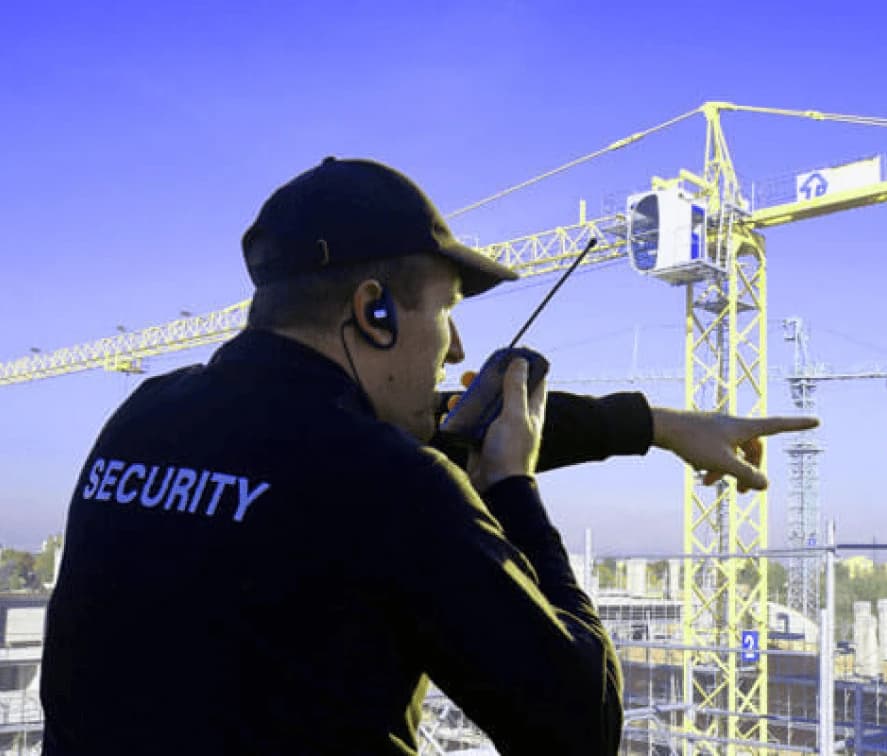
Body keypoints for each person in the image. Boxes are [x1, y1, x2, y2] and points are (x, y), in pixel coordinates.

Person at [41, 157, 818, 755]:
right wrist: (510, 487)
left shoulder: (144, 416)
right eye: (445, 310)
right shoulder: (392, 485)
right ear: (371, 310)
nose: (456, 348)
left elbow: (414, 433)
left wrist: (656, 423)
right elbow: (581, 728)